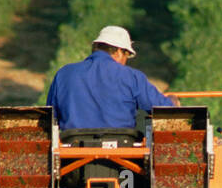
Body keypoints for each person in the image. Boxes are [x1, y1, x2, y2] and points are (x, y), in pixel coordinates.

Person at [45, 25, 178, 130]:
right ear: (119, 51)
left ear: (96, 47)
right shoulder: (132, 76)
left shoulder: (64, 74)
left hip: (72, 155)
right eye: (127, 55)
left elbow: (51, 117)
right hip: (122, 154)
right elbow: (163, 109)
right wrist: (172, 101)